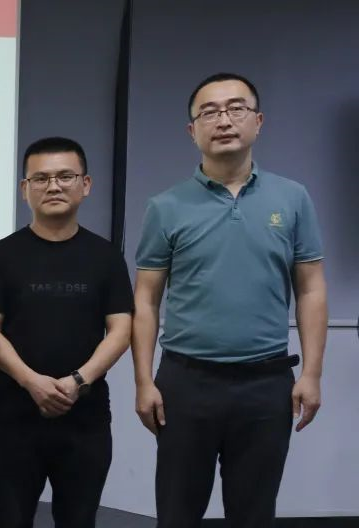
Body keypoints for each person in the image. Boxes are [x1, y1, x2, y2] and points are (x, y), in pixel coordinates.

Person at [132, 72, 327, 527]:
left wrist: (312, 373)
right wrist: (143, 380)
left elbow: (312, 289)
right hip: (186, 383)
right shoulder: (166, 206)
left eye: (236, 108)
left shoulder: (292, 198)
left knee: (253, 514)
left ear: (258, 121)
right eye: (209, 112)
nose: (223, 120)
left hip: (266, 384)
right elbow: (146, 298)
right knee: (177, 514)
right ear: (192, 130)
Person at [0, 137, 133, 527]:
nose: (53, 186)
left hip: (86, 419)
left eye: (65, 176)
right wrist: (31, 381)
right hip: (16, 417)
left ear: (86, 184)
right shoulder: (0, 255)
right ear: (24, 189)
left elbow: (121, 330)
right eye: (41, 178)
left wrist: (78, 381)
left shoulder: (105, 256)